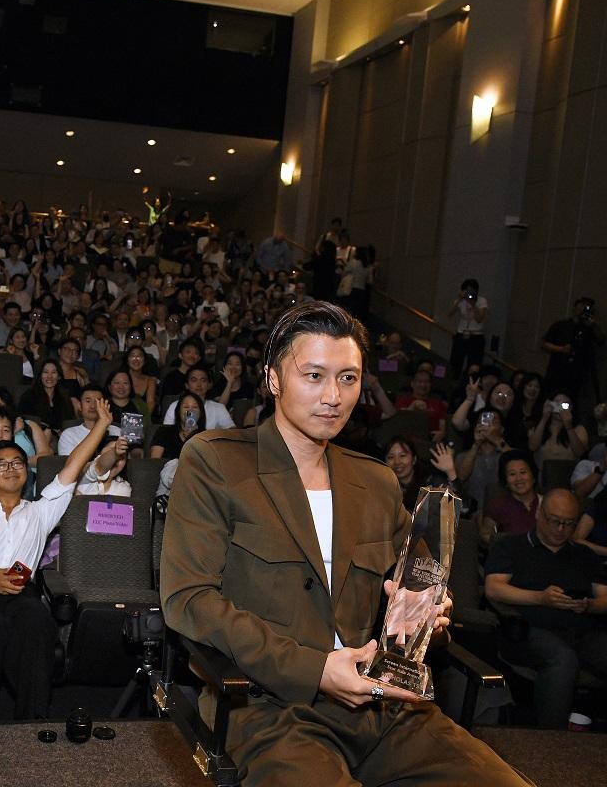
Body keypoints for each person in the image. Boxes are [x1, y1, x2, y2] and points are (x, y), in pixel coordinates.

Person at [160, 301, 528, 785]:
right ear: (274, 379)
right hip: (268, 708)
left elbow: (411, 588)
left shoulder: (374, 481)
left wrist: (424, 617)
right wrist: (316, 669)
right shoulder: (216, 463)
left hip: (383, 704)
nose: (333, 396)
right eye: (314, 375)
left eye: (348, 378)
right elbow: (190, 600)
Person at [0, 395, 113, 721]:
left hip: (20, 592)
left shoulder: (40, 512)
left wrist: (101, 425)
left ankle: (30, 725)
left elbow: (71, 467)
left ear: (26, 473)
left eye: (17, 462)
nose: (11, 469)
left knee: (37, 622)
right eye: (1, 464)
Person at [485, 489, 607, 729]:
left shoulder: (583, 555)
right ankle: (551, 740)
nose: (561, 529)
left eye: (569, 523)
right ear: (541, 514)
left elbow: (605, 597)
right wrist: (540, 598)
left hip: (582, 629)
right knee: (562, 659)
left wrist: (589, 605)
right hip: (529, 629)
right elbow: (494, 588)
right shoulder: (512, 545)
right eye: (555, 521)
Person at [542, 297, 604, 403]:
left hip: (578, 375)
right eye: (581, 306)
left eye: (587, 307)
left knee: (571, 403)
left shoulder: (589, 329)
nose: (583, 309)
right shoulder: (561, 325)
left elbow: (601, 340)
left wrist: (592, 325)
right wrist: (561, 349)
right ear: (574, 308)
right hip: (557, 372)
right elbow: (545, 343)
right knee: (553, 399)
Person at [383, 436, 459, 512]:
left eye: (402, 455)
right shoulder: (383, 486)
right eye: (390, 457)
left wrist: (450, 471)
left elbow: (463, 508)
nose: (397, 462)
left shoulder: (431, 481)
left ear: (414, 459)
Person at [481, 450, 543, 542]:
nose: (518, 479)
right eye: (512, 474)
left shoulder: (548, 504)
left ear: (533, 477)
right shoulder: (497, 506)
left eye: (523, 472)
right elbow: (485, 535)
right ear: (506, 481)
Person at [57, 385, 119, 455]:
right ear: (80, 406)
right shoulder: (69, 435)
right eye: (88, 401)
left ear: (105, 405)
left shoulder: (117, 432)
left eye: (98, 401)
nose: (93, 406)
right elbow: (68, 464)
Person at [447, 279, 489, 377]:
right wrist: (459, 300)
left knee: (474, 363)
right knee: (456, 360)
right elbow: (449, 314)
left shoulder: (481, 301)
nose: (469, 293)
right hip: (461, 333)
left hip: (476, 336)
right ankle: (454, 379)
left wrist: (473, 303)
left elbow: (479, 319)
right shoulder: (460, 301)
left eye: (471, 290)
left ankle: (471, 382)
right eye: (466, 290)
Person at [393, 368, 449, 442]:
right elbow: (399, 423)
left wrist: (441, 433)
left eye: (427, 382)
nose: (423, 385)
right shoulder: (401, 401)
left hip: (430, 441)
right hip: (406, 440)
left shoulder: (438, 403)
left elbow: (442, 426)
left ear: (430, 385)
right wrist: (412, 406)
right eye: (419, 381)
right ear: (412, 384)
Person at [150, 393, 207, 460]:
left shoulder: (206, 437)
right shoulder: (164, 432)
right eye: (186, 407)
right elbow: (154, 463)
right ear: (178, 411)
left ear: (200, 413)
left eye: (195, 407)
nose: (190, 411)